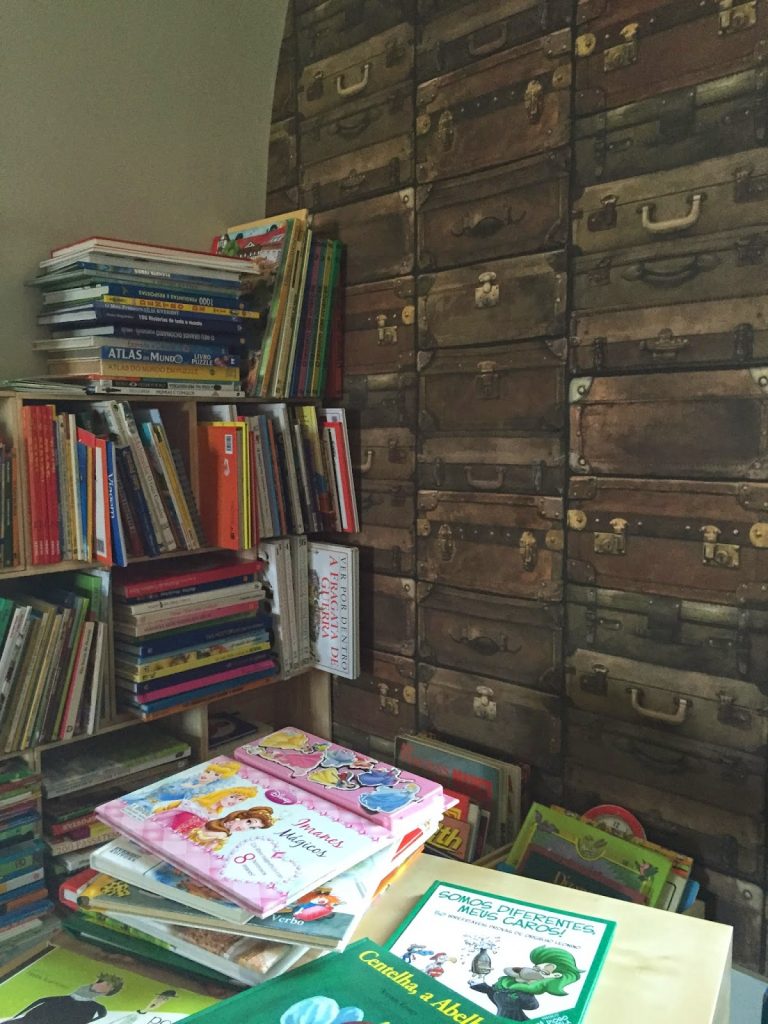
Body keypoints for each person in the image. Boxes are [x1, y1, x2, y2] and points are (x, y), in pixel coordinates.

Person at [4, 973, 123, 1024]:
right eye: (100, 981)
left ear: (108, 992)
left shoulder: (96, 1009)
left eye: (107, 985)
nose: (100, 984)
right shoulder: (58, 999)